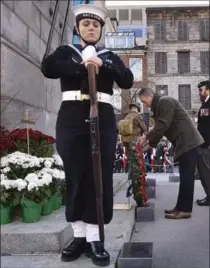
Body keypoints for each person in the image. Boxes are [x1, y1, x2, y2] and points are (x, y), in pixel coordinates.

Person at [41, 4, 133, 267]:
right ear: (78, 28)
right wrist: (83, 66)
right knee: (75, 174)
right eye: (86, 25)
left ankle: (95, 239)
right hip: (71, 118)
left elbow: (126, 80)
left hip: (102, 118)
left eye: (96, 25)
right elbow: (48, 67)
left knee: (98, 176)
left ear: (101, 29)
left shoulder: (111, 56)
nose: (91, 29)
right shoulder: (66, 53)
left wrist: (103, 65)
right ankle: (79, 236)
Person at [138, 88, 204, 219]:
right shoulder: (160, 107)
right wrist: (150, 145)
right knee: (185, 176)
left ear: (150, 96)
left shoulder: (165, 102)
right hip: (185, 142)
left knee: (186, 178)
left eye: (144, 101)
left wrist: (146, 137)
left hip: (188, 142)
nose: (145, 105)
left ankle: (184, 210)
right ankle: (180, 207)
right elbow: (161, 128)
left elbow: (163, 125)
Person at [196, 80, 210, 206]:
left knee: (205, 171)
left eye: (201, 90)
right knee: (204, 171)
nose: (200, 93)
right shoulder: (204, 104)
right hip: (203, 143)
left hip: (207, 144)